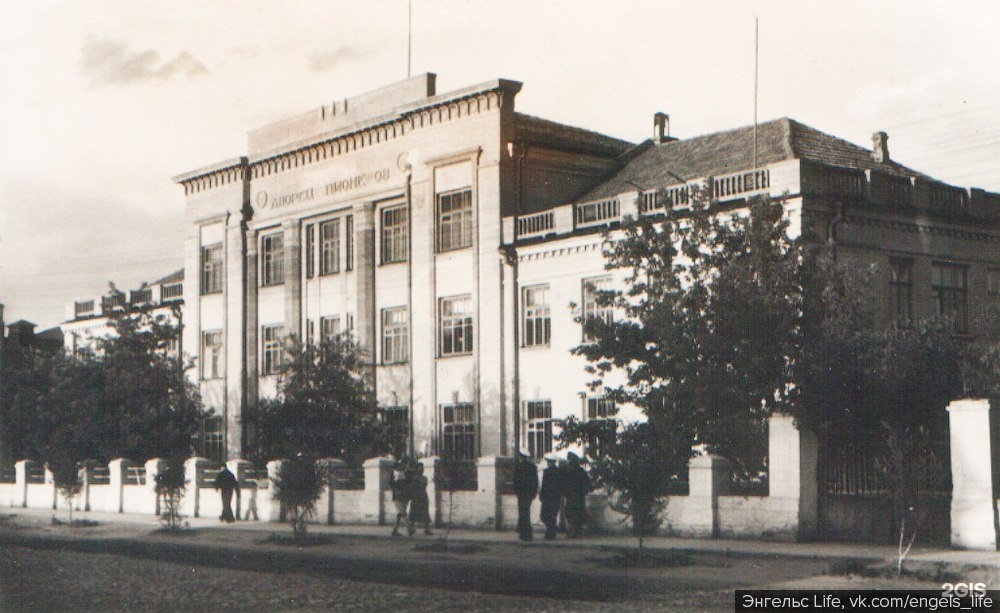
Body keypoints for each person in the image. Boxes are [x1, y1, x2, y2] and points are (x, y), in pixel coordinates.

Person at [513, 450, 539, 541]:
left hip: (521, 493)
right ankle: (525, 533)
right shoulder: (533, 467)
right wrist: (534, 493)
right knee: (526, 512)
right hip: (529, 493)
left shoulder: (519, 466)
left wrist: (516, 492)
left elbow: (515, 481)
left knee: (523, 512)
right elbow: (535, 481)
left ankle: (525, 533)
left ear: (521, 456)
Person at [564, 452, 589, 537]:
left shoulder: (568, 471)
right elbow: (587, 482)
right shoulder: (581, 471)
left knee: (571, 513)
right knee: (578, 512)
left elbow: (565, 483)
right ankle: (578, 530)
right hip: (579, 496)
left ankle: (572, 531)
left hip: (571, 495)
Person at [539, 454, 563, 540]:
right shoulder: (559, 471)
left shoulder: (547, 471)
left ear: (551, 462)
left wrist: (541, 495)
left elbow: (544, 485)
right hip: (555, 497)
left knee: (545, 515)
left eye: (548, 462)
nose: (548, 463)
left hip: (548, 497)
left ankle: (550, 533)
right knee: (552, 515)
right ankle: (551, 532)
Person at [407, 463, 433, 536]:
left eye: (422, 468)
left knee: (425, 513)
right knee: (413, 513)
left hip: (423, 496)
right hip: (416, 496)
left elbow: (423, 485)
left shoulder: (424, 478)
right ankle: (411, 529)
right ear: (417, 469)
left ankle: (426, 529)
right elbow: (413, 486)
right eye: (420, 468)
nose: (421, 469)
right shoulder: (414, 477)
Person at [390, 461, 412, 537]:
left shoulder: (406, 473)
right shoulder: (394, 474)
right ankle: (409, 528)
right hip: (398, 495)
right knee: (402, 512)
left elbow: (409, 484)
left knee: (401, 513)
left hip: (404, 495)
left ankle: (394, 530)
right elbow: (392, 484)